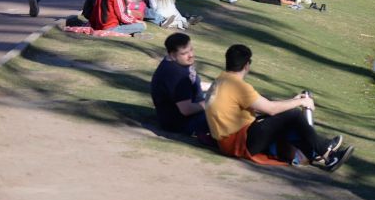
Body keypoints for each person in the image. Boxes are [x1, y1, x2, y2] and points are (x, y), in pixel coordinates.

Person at [204, 44, 353, 169]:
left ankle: (317, 154)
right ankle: (326, 151)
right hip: (240, 143)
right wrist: (300, 102)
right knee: (294, 114)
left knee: (286, 118)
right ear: (247, 65)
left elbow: (262, 104)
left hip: (229, 142)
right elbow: (271, 109)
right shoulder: (239, 86)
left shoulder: (221, 80)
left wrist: (290, 101)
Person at [150, 33, 209, 137]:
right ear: (172, 55)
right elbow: (186, 110)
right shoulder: (177, 75)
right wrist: (212, 103)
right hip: (183, 123)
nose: (191, 55)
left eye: (191, 50)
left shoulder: (179, 63)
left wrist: (216, 87)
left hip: (194, 106)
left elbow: (193, 83)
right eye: (184, 53)